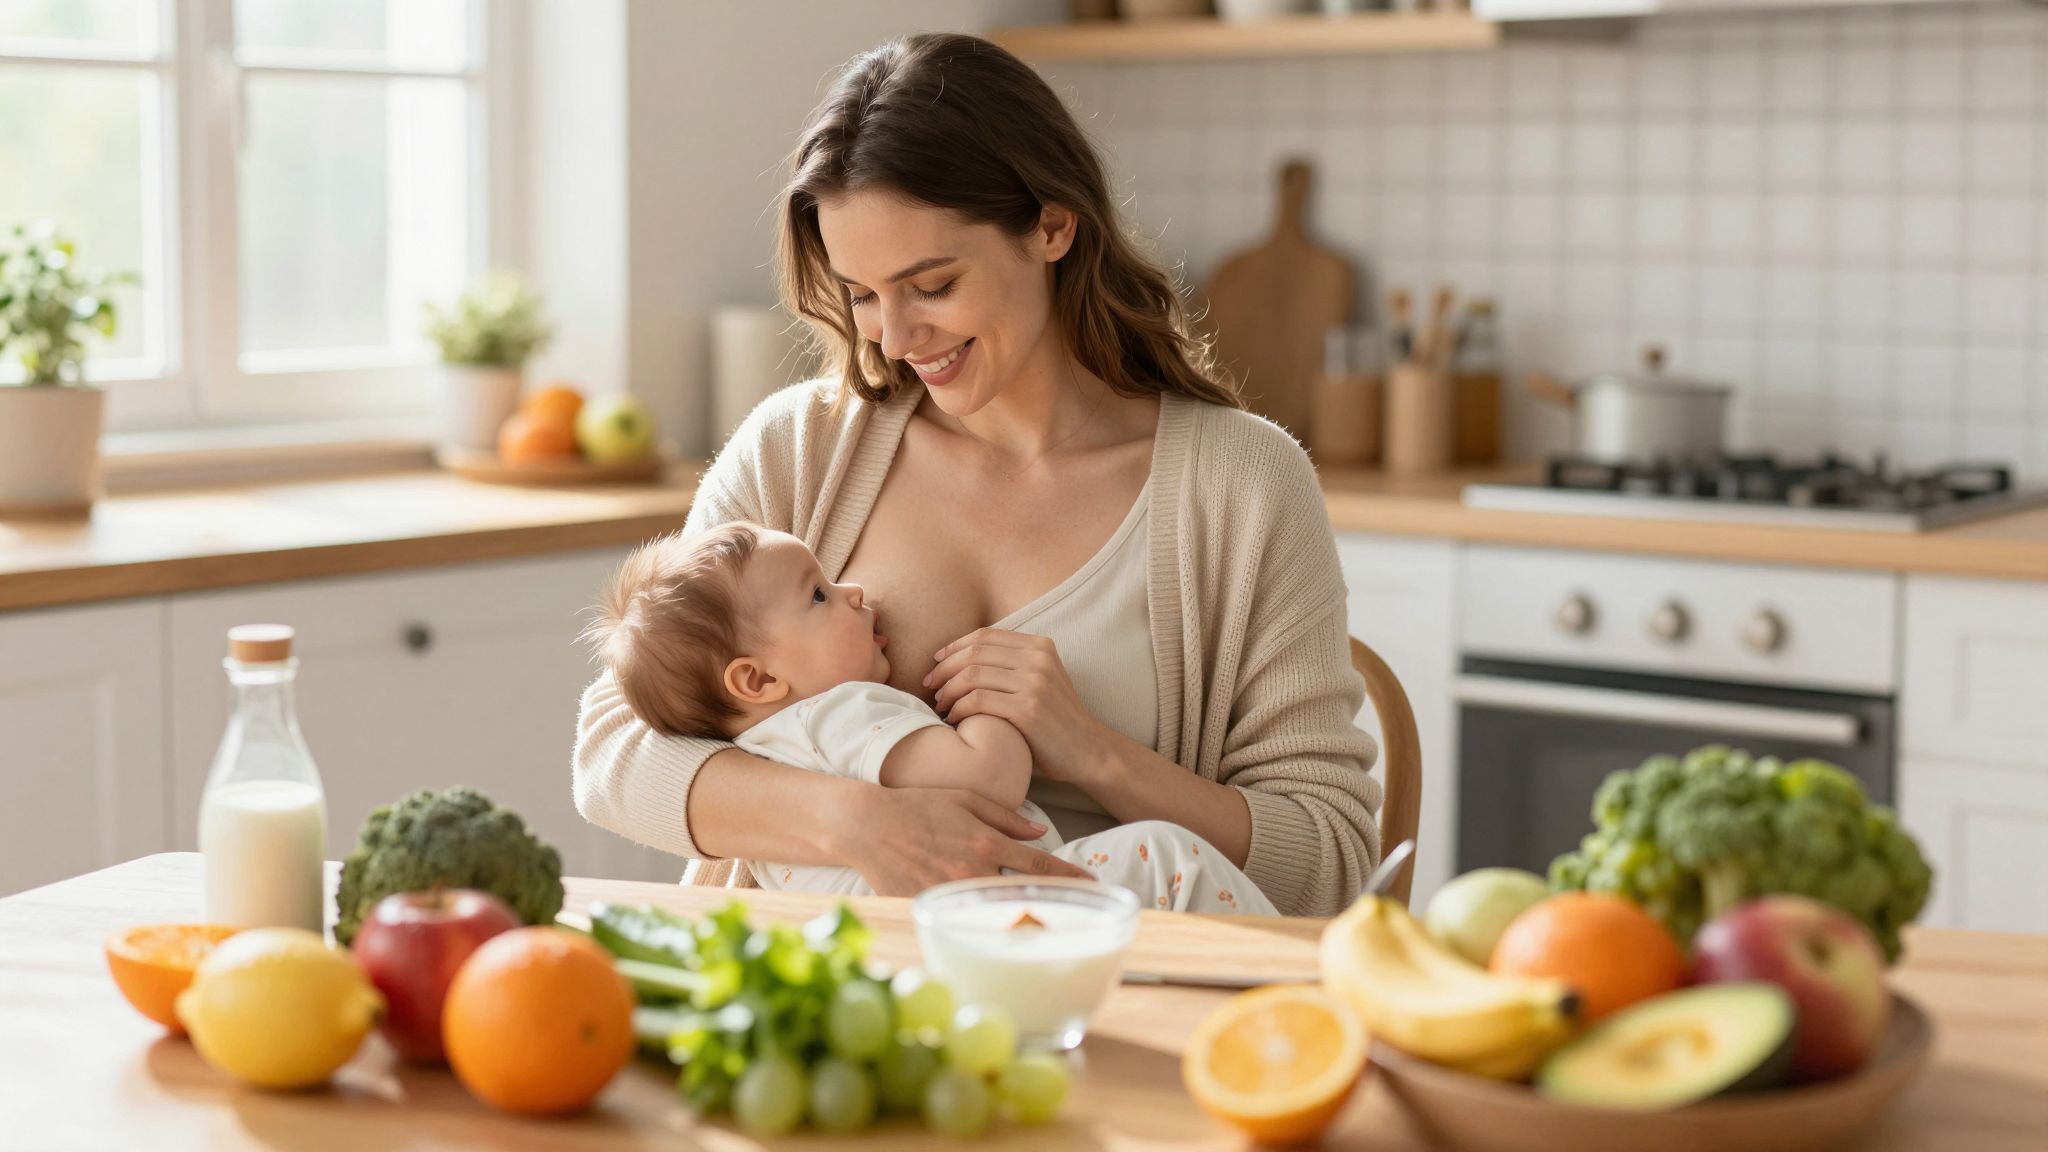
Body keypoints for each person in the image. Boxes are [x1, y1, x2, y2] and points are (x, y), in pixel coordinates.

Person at [573, 31, 1382, 917]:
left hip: (1110, 1006)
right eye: (863, 293)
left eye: (931, 284)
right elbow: (615, 754)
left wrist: (1094, 752)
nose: (893, 336)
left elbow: (1329, 860)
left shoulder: (1245, 486)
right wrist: (857, 824)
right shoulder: (799, 450)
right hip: (837, 991)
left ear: (1052, 225)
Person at [583, 520, 1276, 915]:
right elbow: (989, 779)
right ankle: (1304, 992)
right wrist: (1002, 706)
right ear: (758, 678)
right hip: (990, 920)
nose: (853, 590)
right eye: (820, 596)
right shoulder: (843, 713)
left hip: (894, 959)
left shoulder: (763, 742)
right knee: (1162, 856)